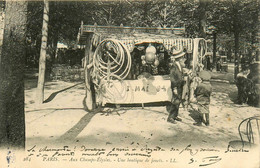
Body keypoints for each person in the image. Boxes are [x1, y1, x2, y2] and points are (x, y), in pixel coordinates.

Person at [166, 47, 185, 124]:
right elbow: (173, 79)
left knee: (178, 101)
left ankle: (175, 115)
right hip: (176, 87)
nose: (184, 59)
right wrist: (174, 88)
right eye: (182, 57)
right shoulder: (174, 67)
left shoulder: (179, 65)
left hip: (180, 86)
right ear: (179, 58)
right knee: (175, 101)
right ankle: (170, 117)